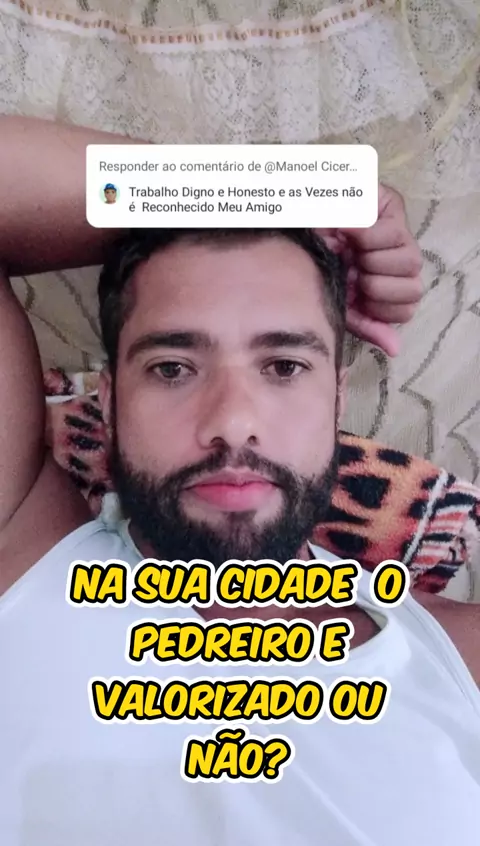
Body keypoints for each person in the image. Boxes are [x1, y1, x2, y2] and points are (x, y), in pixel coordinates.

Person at [1, 117, 479, 846]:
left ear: (337, 400)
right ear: (109, 403)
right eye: (172, 368)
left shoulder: (460, 664)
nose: (232, 422)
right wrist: (297, 191)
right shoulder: (24, 560)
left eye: (284, 366)